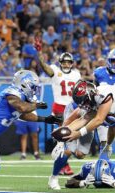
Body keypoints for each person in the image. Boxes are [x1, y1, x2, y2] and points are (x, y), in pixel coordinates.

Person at [48, 101, 115, 190]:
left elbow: (111, 130)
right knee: (68, 150)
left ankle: (101, 172)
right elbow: (73, 118)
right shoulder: (92, 107)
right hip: (78, 114)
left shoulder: (113, 114)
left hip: (92, 118)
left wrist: (108, 145)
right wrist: (61, 138)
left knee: (80, 154)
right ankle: (53, 178)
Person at [36, 38, 81, 175]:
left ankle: (62, 163)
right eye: (64, 62)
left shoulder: (76, 74)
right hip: (60, 107)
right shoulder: (55, 70)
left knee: (71, 138)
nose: (66, 64)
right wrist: (39, 52)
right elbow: (45, 67)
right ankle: (63, 165)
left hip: (72, 107)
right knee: (63, 138)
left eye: (69, 62)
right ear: (60, 63)